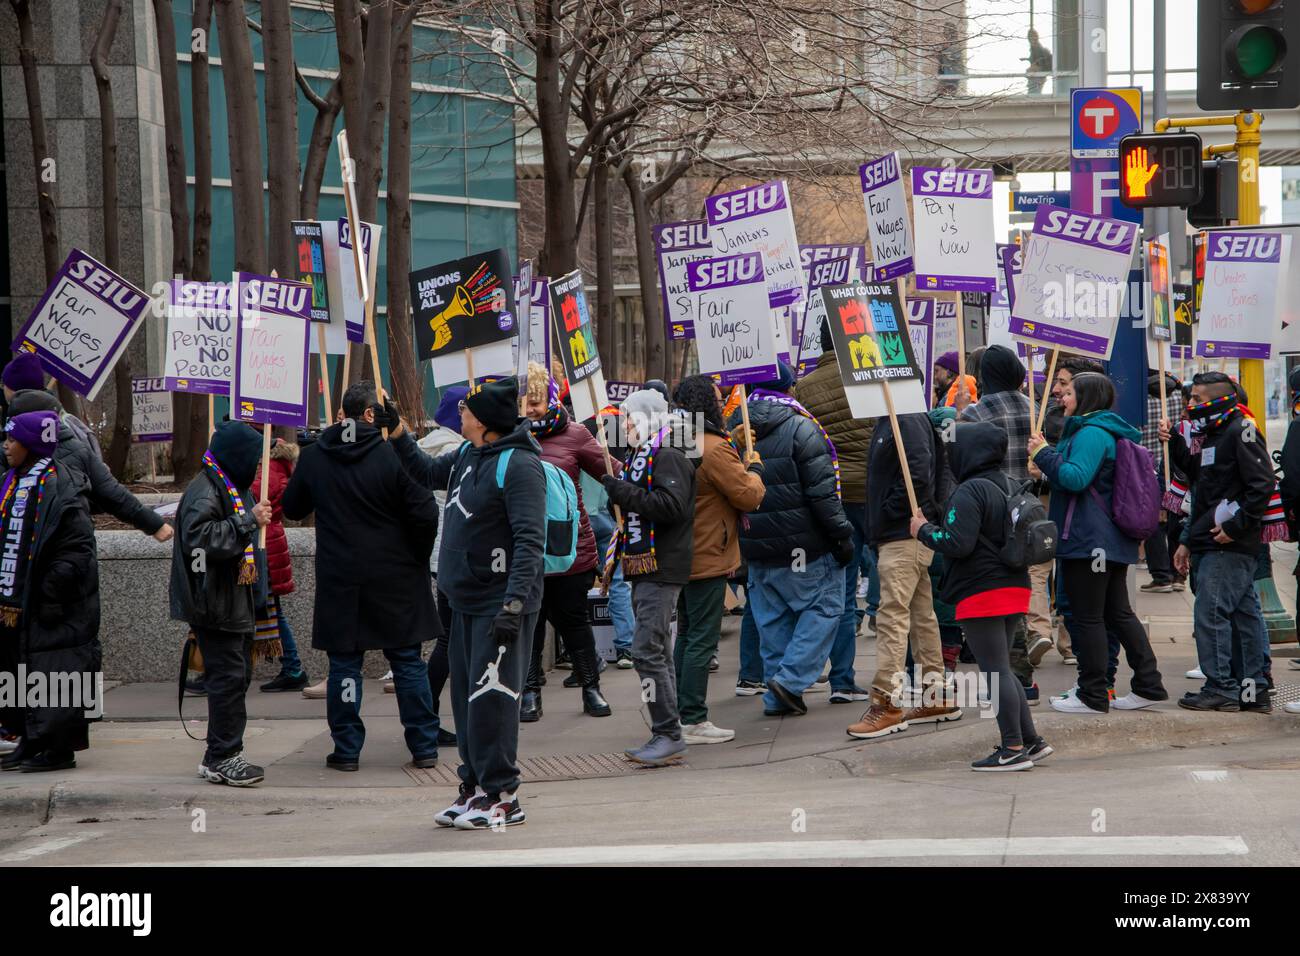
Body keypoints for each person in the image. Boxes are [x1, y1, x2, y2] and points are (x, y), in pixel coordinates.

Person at [389, 377, 545, 829]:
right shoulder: (466, 454)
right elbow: (424, 472)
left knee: (493, 698)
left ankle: (504, 796)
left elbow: (530, 541)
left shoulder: (520, 465)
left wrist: (514, 604)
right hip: (463, 600)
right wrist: (397, 434)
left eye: (467, 410)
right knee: (466, 699)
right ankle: (474, 787)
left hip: (501, 604)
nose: (460, 414)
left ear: (485, 421)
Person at [282, 381, 443, 773]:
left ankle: (347, 748)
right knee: (407, 661)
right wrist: (417, 555)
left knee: (345, 665)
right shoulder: (394, 456)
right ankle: (423, 744)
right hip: (396, 574)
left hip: (342, 575)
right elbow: (425, 512)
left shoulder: (316, 456)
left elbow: (293, 507)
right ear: (371, 413)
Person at [911, 421, 1052, 770]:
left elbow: (957, 543)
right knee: (1003, 668)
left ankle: (1012, 747)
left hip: (981, 590)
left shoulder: (969, 490)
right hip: (1014, 585)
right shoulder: (1009, 483)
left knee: (994, 672)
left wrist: (923, 530)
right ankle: (1031, 741)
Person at [1029, 372, 1167, 714]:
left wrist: (1044, 454)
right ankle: (1148, 685)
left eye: (1069, 392)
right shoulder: (1103, 430)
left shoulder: (1091, 432)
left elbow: (1076, 478)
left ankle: (1093, 694)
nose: (1062, 397)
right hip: (1105, 541)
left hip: (1088, 540)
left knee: (1088, 617)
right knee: (1117, 614)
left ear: (1086, 397)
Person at [729, 362, 852, 718]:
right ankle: (790, 680)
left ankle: (777, 696)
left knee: (773, 622)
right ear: (788, 388)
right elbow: (822, 493)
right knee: (825, 608)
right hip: (805, 546)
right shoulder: (802, 427)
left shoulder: (732, 432)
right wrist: (841, 534)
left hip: (756, 545)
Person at [1163, 372, 1275, 712]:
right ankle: (1251, 689)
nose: (1190, 404)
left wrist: (1236, 528)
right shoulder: (1214, 434)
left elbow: (1262, 484)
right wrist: (1175, 443)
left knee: (1210, 613)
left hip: (1228, 544)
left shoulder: (1240, 430)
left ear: (1218, 399)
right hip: (1212, 539)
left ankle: (1221, 687)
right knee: (1242, 616)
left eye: (1197, 398)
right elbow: (1203, 484)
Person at [849, 403, 961, 739]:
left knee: (892, 617)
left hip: (902, 534)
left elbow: (918, 474)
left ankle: (888, 703)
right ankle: (936, 695)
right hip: (901, 532)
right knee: (919, 615)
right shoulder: (896, 417)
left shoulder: (906, 418)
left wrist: (887, 514)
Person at [169, 420, 271, 785]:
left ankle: (218, 753)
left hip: (230, 601)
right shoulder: (207, 491)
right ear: (236, 457)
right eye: (254, 461)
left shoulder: (228, 485)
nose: (257, 468)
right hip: (216, 603)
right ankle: (225, 756)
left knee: (235, 678)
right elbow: (199, 542)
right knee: (228, 681)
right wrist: (247, 521)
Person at [0, 412, 100, 773]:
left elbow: (77, 550)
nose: (6, 446)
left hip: (54, 605)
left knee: (55, 678)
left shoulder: (63, 487)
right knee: (20, 675)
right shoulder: (12, 482)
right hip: (17, 602)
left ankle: (58, 749)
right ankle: (30, 740)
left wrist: (50, 591)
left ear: (30, 444)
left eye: (13, 439)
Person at [602, 388, 696, 766]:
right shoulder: (641, 455)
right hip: (645, 565)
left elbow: (670, 507)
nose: (623, 424)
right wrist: (618, 491)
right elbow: (635, 503)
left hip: (662, 565)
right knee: (657, 651)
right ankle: (668, 730)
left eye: (628, 417)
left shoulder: (669, 453)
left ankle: (668, 733)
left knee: (644, 651)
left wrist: (622, 491)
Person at [672, 375, 765, 744]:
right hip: (708, 553)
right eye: (716, 397)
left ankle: (679, 713)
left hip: (682, 552)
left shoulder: (677, 439)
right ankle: (693, 718)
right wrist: (754, 468)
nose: (722, 402)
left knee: (686, 634)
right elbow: (747, 496)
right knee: (701, 638)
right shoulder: (712, 448)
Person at [520, 361, 612, 721]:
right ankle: (530, 692)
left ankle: (591, 689)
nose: (529, 410)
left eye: (536, 402)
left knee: (574, 622)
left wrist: (649, 475)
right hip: (526, 550)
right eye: (523, 402)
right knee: (530, 624)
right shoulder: (508, 437)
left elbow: (610, 472)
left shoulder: (574, 434)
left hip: (571, 549)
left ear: (551, 400)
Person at [960, 345, 1051, 701]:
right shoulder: (1034, 410)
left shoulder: (975, 412)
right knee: (1018, 589)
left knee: (994, 598)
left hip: (987, 510)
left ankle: (1010, 680)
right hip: (1026, 508)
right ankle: (1022, 679)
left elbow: (958, 459)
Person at [791, 321, 873, 702]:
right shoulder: (869, 378)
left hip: (827, 496)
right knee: (889, 581)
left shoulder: (804, 388)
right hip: (869, 493)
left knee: (835, 587)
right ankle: (859, 678)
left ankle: (831, 675)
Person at [5, 384, 171, 543]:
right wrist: (155, 525)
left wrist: (153, 524)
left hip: (64, 545)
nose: (7, 444)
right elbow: (112, 494)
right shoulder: (8, 454)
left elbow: (111, 492)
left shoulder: (76, 451)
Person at [255, 436, 309, 692]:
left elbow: (252, 497)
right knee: (271, 609)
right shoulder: (276, 468)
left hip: (265, 544)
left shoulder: (269, 471)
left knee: (270, 609)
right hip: (271, 542)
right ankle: (292, 667)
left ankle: (293, 667)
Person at [1139, 371, 1184, 594]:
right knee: (1176, 518)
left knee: (1153, 524)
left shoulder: (1141, 401)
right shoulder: (1179, 397)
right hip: (1175, 468)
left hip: (1148, 468)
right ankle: (1179, 574)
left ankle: (1161, 576)